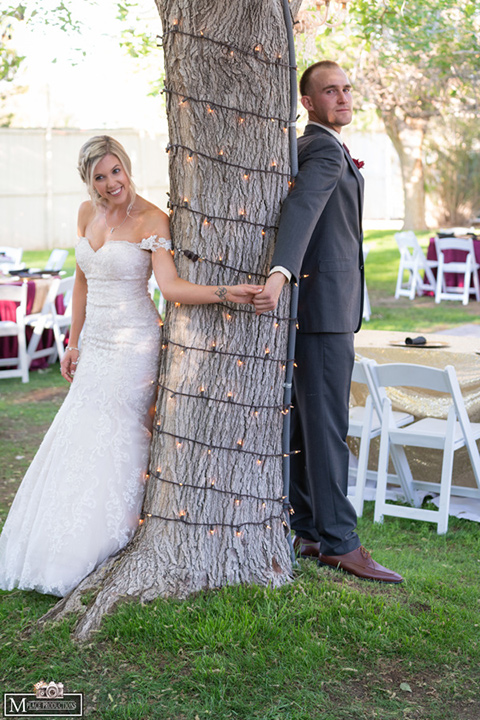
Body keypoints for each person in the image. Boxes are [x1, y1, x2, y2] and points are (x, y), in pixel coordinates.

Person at [0, 135, 262, 597]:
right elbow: (80, 284)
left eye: (115, 171)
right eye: (99, 177)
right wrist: (73, 341)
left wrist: (227, 292)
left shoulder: (152, 219)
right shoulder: (86, 214)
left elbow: (172, 287)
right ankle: (58, 541)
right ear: (89, 181)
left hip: (135, 345)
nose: (110, 183)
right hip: (95, 345)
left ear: (126, 167)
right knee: (79, 433)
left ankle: (107, 541)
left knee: (116, 434)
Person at [253, 61, 403, 583]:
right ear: (309, 102)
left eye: (346, 88)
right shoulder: (319, 147)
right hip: (322, 311)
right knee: (327, 429)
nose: (342, 97)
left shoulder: (323, 145)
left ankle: (311, 530)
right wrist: (280, 272)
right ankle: (340, 541)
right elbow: (303, 208)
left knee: (306, 426)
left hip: (323, 309)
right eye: (329, 91)